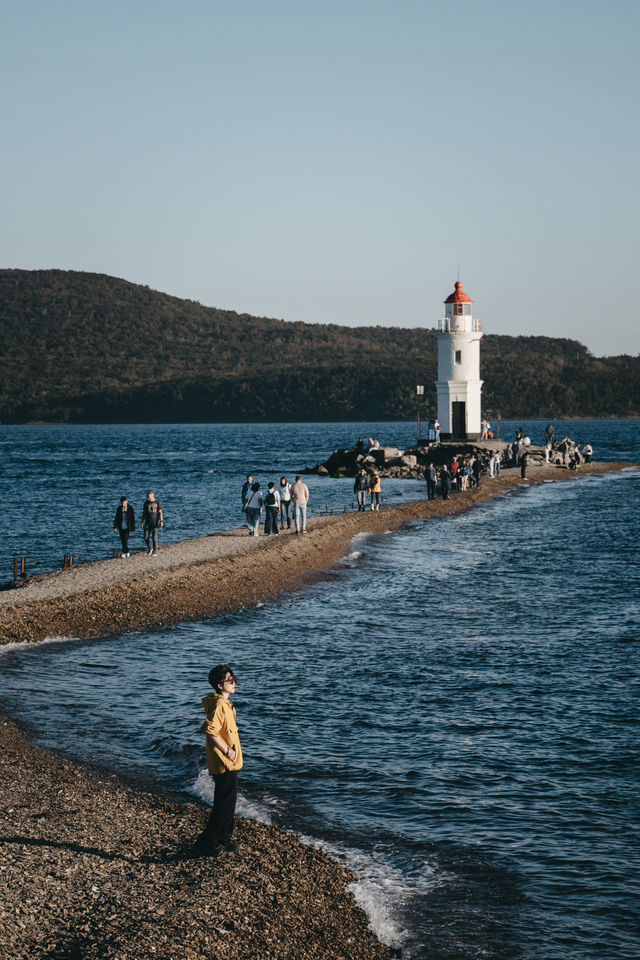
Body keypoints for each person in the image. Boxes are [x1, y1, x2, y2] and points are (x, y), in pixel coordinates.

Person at [193, 664, 243, 857]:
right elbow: (209, 730)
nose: (234, 683)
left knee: (229, 802)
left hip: (228, 761)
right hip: (224, 762)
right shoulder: (220, 705)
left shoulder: (225, 704)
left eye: (234, 679)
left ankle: (224, 839)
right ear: (219, 685)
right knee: (224, 804)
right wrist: (227, 751)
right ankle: (207, 842)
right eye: (230, 680)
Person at [141, 490, 163, 555]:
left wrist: (161, 521)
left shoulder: (157, 502)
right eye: (147, 497)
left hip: (155, 522)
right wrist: (142, 521)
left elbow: (160, 512)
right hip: (147, 522)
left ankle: (154, 551)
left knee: (154, 538)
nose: (148, 498)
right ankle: (150, 547)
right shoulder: (146, 503)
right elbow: (144, 513)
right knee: (145, 537)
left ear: (153, 496)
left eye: (149, 497)